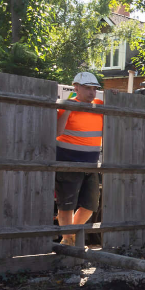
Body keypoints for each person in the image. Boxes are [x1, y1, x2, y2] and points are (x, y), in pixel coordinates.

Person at [55, 72, 104, 247]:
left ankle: (70, 235)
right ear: (76, 87)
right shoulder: (66, 105)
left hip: (90, 165)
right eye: (87, 88)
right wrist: (68, 109)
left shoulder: (100, 106)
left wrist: (115, 95)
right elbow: (57, 132)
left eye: (95, 89)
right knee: (66, 205)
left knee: (91, 205)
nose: (92, 92)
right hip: (68, 163)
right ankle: (68, 240)